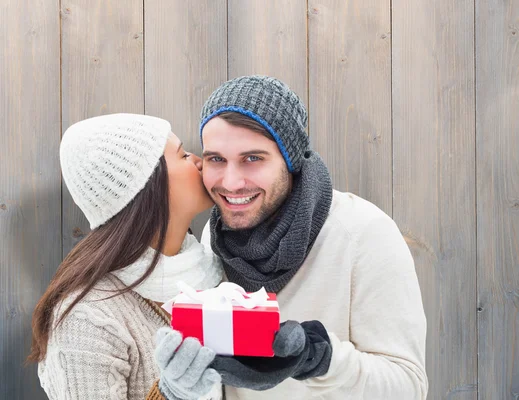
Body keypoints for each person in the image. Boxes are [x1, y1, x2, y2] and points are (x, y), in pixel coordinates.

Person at [196, 76, 429, 400]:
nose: (232, 183)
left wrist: (321, 360)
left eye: (253, 158)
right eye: (216, 159)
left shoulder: (363, 233)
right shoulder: (215, 236)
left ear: (290, 160)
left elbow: (408, 386)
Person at [28, 114, 225, 399]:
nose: (198, 161)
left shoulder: (211, 270)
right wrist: (170, 393)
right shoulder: (88, 317)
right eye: (182, 155)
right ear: (148, 188)